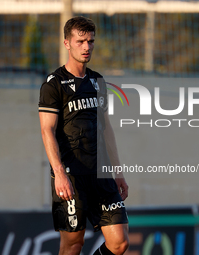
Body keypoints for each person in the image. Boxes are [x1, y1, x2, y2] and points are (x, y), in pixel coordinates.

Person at [39, 16, 129, 255]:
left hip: (101, 173)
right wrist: (58, 172)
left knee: (119, 242)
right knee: (73, 245)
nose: (87, 47)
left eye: (90, 41)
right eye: (80, 41)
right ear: (67, 43)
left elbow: (106, 128)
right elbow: (46, 129)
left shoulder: (98, 81)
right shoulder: (53, 84)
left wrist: (118, 171)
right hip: (71, 176)